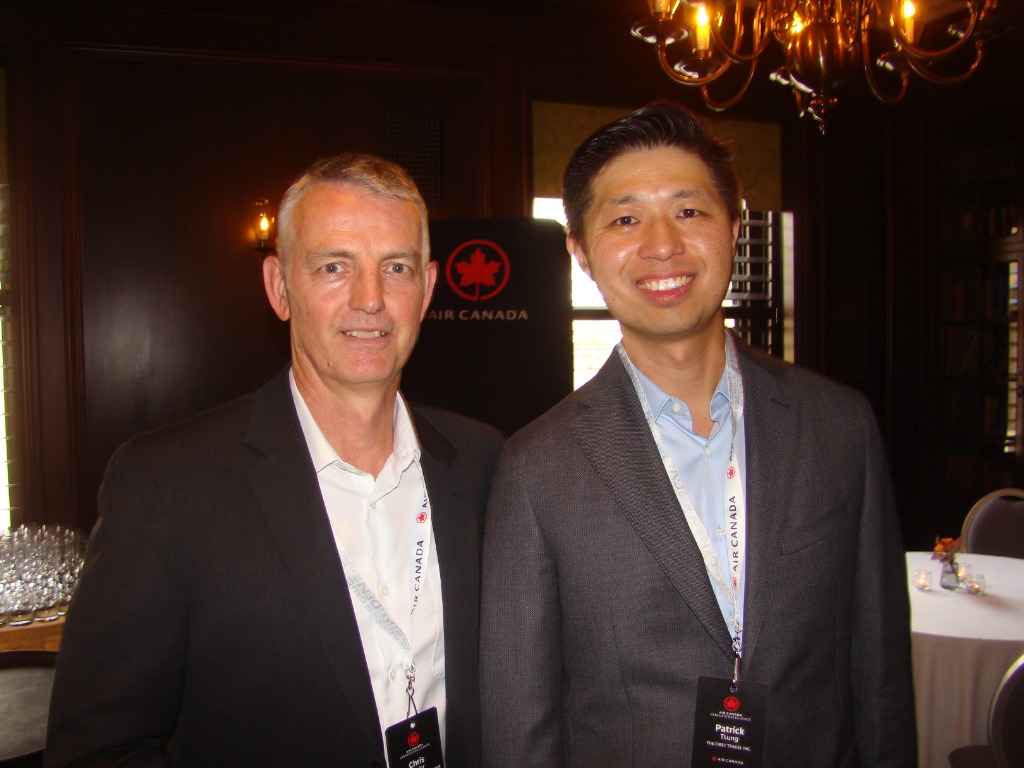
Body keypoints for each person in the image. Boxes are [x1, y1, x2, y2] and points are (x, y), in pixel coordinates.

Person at [479, 102, 916, 767]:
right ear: (582, 253)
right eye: (625, 219)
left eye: (689, 211)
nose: (663, 245)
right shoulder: (536, 468)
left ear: (735, 230)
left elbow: (880, 669)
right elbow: (521, 723)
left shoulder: (839, 424)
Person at [45, 153, 504, 768]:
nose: (370, 299)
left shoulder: (485, 464)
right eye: (334, 267)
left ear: (426, 289)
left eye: (395, 267)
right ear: (280, 288)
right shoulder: (166, 486)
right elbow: (98, 749)